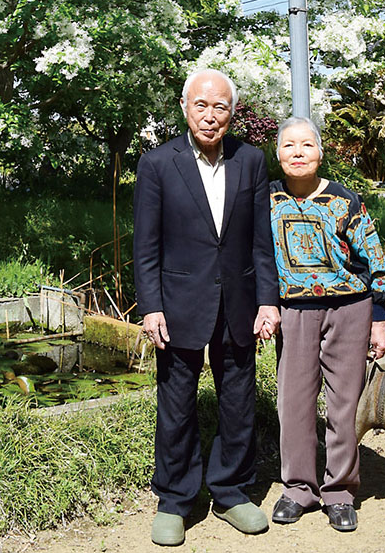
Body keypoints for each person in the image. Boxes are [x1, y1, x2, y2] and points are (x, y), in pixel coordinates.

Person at [133, 69, 280, 547]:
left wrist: (267, 301)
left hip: (239, 302)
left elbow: (262, 241)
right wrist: (151, 306)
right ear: (184, 107)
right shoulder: (157, 163)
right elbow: (146, 246)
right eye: (202, 105)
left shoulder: (251, 161)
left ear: (232, 112)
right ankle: (174, 500)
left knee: (238, 402)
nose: (210, 116)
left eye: (220, 107)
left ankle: (231, 491)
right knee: (176, 406)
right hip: (177, 306)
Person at [269, 117, 385, 533]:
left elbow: (375, 261)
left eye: (307, 144)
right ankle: (298, 488)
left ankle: (339, 491)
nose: (298, 152)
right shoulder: (265, 199)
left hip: (350, 309)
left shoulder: (344, 200)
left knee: (344, 401)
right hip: (294, 311)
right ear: (278, 153)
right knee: (293, 400)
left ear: (321, 153)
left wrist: (378, 320)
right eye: (289, 145)